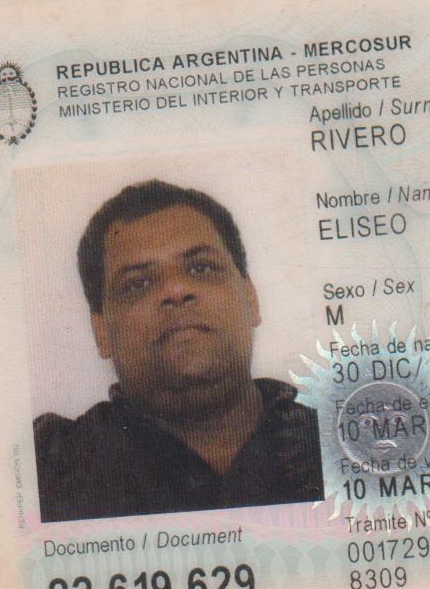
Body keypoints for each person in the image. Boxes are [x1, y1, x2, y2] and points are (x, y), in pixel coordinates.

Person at [33, 179, 326, 522]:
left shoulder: (343, 443)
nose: (176, 289)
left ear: (251, 299)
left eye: (201, 268)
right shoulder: (47, 468)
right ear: (101, 331)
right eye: (138, 283)